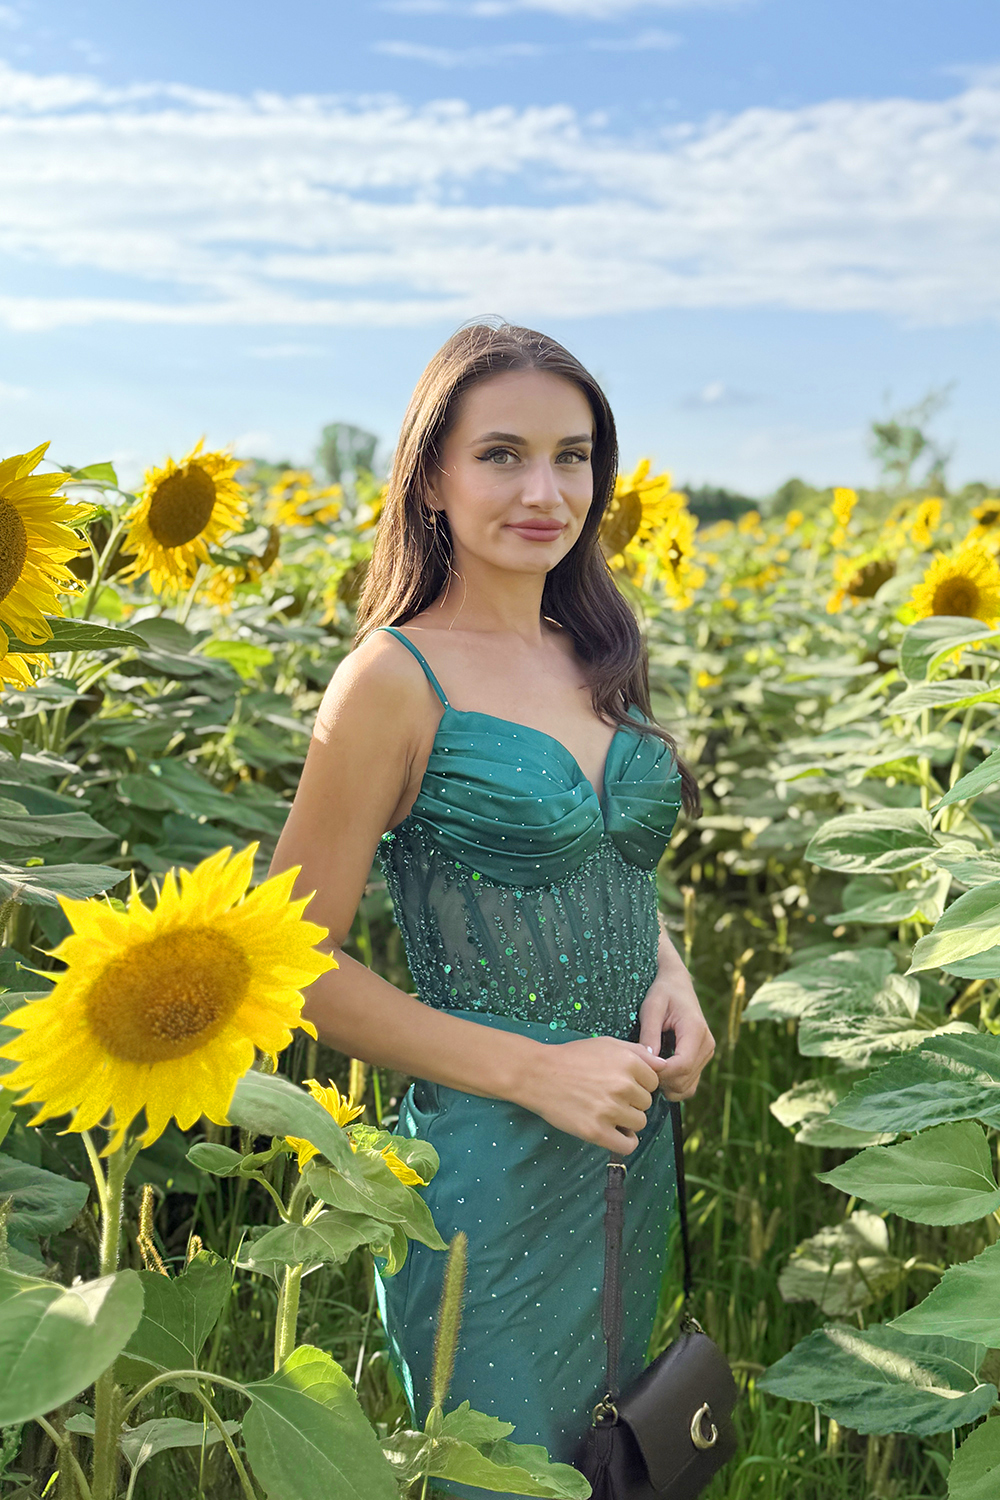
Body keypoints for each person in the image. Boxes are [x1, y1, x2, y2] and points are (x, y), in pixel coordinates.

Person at [268, 321, 715, 1500]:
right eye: (502, 454)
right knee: (504, 1477)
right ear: (430, 476)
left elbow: (612, 864)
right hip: (490, 1162)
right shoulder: (391, 677)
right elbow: (293, 966)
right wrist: (531, 1072)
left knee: (624, 1462)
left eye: (572, 458)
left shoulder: (598, 647)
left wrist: (670, 977)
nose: (546, 491)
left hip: (625, 1140)